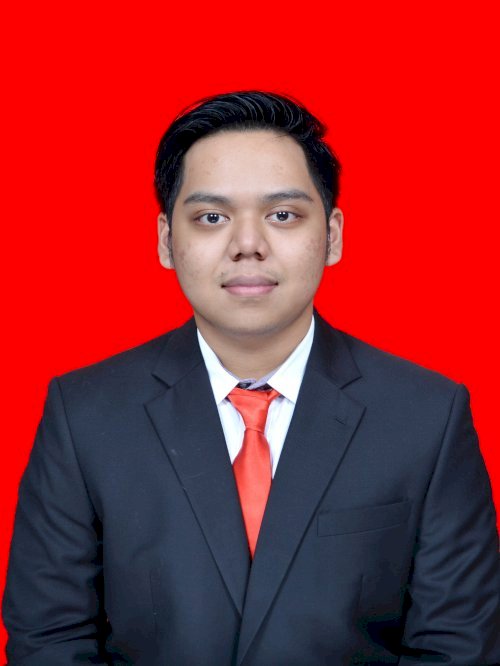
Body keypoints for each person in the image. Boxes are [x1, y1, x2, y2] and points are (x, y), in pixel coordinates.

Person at [3, 91, 499, 665]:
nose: (247, 246)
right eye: (211, 218)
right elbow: (50, 640)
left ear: (333, 235)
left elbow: (457, 647)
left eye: (282, 215)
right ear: (166, 240)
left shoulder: (427, 416)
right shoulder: (85, 414)